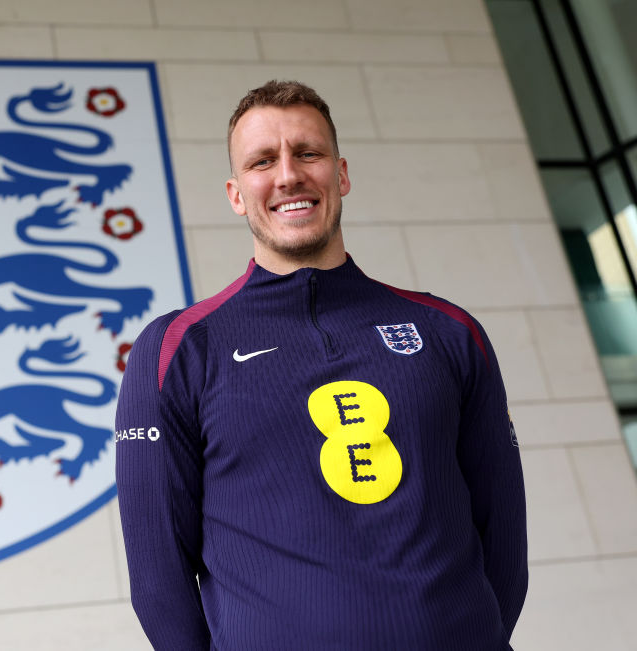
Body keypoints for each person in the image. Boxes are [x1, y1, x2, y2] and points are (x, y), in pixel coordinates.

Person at [114, 80, 528, 650]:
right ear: (236, 194)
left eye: (308, 153)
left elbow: (504, 542)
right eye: (263, 161)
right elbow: (158, 581)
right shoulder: (178, 349)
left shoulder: (448, 331)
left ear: (341, 174)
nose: (288, 175)